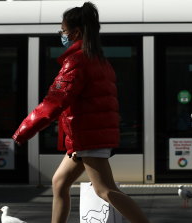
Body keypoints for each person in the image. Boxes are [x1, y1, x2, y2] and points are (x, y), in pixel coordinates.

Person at [12, 2, 150, 223]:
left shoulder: (76, 61)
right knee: (59, 182)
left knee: (104, 190)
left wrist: (23, 131)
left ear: (75, 32)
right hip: (86, 136)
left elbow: (53, 102)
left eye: (63, 31)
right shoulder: (100, 61)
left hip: (88, 136)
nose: (61, 35)